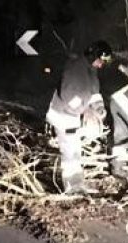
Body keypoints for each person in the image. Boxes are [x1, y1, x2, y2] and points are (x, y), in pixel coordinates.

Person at [46, 40, 114, 194]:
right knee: (70, 151)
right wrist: (85, 111)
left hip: (75, 115)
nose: (101, 65)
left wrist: (99, 109)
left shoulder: (91, 71)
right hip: (64, 115)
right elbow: (70, 97)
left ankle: (77, 183)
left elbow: (94, 92)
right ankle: (72, 187)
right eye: (100, 61)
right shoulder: (75, 68)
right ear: (93, 56)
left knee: (75, 149)